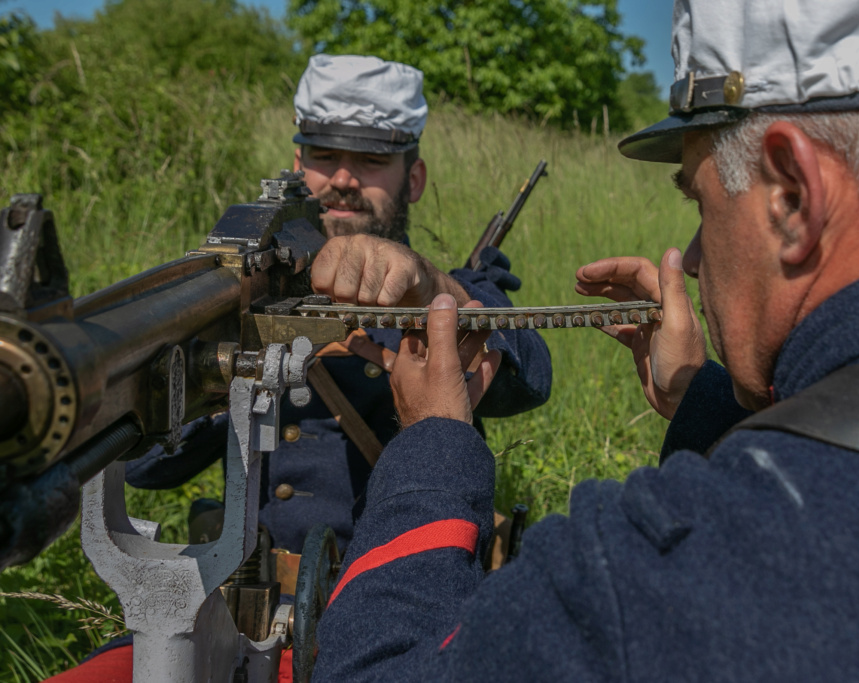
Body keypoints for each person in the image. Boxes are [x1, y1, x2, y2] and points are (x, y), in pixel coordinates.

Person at [312, 1, 859, 680]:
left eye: (700, 200)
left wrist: (433, 442)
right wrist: (699, 396)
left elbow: (380, 667)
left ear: (793, 195)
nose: (697, 254)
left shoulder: (655, 584)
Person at [46, 55, 551, 682]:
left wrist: (428, 291)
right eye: (322, 154)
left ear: (412, 178)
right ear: (295, 166)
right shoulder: (244, 292)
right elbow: (149, 466)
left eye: (370, 161)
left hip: (396, 610)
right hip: (238, 617)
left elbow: (528, 369)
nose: (341, 178)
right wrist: (218, 364)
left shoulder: (444, 289)